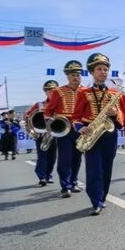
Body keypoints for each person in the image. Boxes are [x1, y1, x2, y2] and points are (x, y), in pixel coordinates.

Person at [73, 53, 125, 215]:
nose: (103, 72)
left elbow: (123, 118)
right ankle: (96, 200)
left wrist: (115, 114)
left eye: (105, 69)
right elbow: (76, 116)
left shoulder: (114, 93)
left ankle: (103, 197)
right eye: (99, 69)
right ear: (92, 72)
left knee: (107, 168)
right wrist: (80, 128)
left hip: (108, 134)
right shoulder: (83, 92)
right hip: (91, 132)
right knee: (94, 169)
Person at [44, 60, 84, 198]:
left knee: (77, 158)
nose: (76, 78)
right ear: (67, 76)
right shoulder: (58, 91)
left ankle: (73, 182)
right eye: (72, 75)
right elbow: (49, 111)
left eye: (78, 75)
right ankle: (65, 186)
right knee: (64, 159)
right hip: (63, 128)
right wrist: (50, 123)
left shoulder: (85, 91)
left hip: (80, 129)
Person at [25, 81, 59, 186]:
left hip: (55, 133)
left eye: (54, 90)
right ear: (45, 92)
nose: (51, 92)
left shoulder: (60, 104)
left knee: (52, 157)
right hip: (41, 134)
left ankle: (48, 175)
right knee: (42, 156)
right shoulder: (39, 105)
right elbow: (27, 115)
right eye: (49, 91)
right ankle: (42, 177)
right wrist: (31, 126)